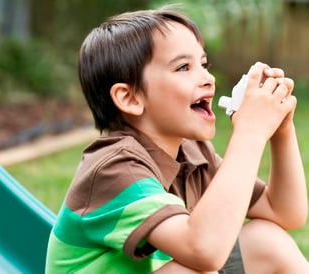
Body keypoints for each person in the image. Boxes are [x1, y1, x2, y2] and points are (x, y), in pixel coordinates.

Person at [45, 5, 308, 273]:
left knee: (268, 241)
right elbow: (204, 251)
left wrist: (281, 131)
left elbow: (284, 212)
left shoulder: (193, 155)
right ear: (130, 98)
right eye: (183, 67)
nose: (208, 79)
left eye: (204, 64)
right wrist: (249, 133)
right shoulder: (114, 169)